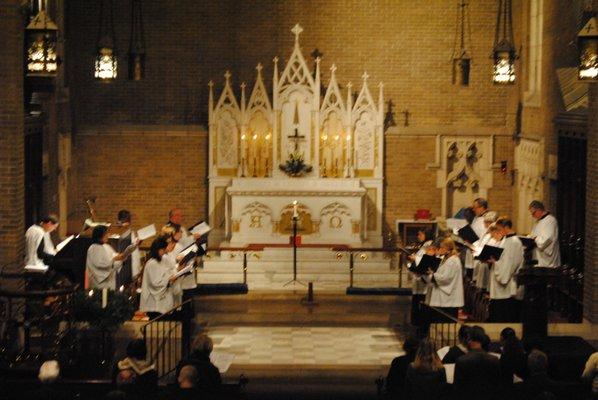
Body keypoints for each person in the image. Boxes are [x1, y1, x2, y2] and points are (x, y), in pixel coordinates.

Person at [487, 218, 524, 322]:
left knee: (503, 315)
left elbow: (509, 264)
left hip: (506, 285)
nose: (498, 232)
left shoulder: (513, 242)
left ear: (506, 227)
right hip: (500, 283)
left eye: (499, 229)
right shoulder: (506, 240)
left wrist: (495, 262)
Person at [453, 326, 502, 400]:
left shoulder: (461, 360)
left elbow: (458, 389)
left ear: (469, 339)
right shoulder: (494, 360)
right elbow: (497, 386)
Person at [140, 236, 182, 316]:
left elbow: (171, 269)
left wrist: (177, 271)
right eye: (163, 249)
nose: (165, 251)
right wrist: (169, 279)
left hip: (165, 299)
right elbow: (155, 284)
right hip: (154, 303)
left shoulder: (164, 259)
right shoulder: (151, 264)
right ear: (157, 250)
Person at [427, 238, 464, 319]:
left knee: (445, 321)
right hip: (445, 299)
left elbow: (446, 278)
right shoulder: (446, 258)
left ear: (447, 249)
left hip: (448, 299)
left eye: (442, 248)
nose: (440, 249)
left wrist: (432, 275)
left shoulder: (453, 260)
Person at [86, 225, 130, 290]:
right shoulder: (93, 248)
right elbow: (101, 264)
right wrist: (115, 259)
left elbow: (114, 262)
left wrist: (123, 257)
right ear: (100, 235)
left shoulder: (106, 246)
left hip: (110, 283)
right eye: (106, 233)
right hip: (100, 285)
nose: (108, 235)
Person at [408, 229, 434, 327]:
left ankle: (420, 322)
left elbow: (427, 259)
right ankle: (416, 321)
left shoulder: (429, 244)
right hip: (419, 278)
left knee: (421, 302)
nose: (418, 236)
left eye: (420, 234)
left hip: (424, 279)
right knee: (417, 300)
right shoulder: (424, 245)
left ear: (426, 234)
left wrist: (416, 258)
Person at [529, 201, 561, 268]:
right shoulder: (538, 222)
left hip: (548, 261)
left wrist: (535, 238)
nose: (532, 216)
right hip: (539, 258)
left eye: (533, 213)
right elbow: (532, 235)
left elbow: (546, 240)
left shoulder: (550, 220)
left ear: (539, 210)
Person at [115, 209, 141, 287]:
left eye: (126, 221)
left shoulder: (132, 236)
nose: (124, 224)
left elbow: (134, 256)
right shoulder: (116, 236)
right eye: (122, 221)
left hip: (128, 268)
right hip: (117, 267)